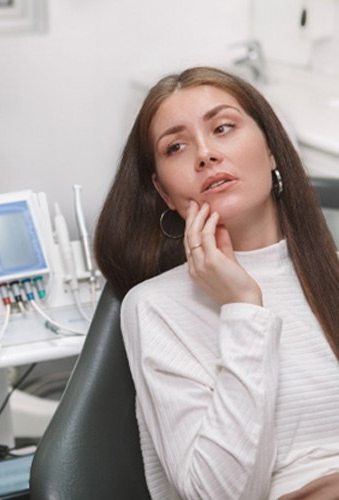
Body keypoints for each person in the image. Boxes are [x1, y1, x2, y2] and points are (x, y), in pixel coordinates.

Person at [94, 66, 339, 499]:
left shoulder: (330, 270)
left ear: (272, 150)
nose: (205, 155)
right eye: (176, 147)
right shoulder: (153, 308)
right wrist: (243, 307)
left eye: (223, 127)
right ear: (165, 193)